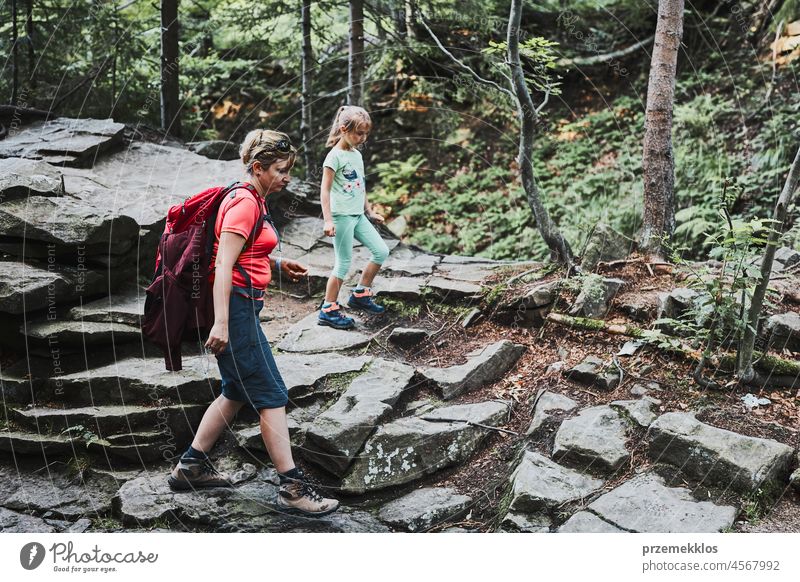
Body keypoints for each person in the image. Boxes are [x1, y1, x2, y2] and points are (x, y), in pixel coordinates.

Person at [168, 129, 339, 518]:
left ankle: (190, 467)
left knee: (235, 390)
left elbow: (244, 253)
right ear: (257, 168)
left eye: (289, 169)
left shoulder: (252, 198)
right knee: (272, 394)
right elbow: (223, 265)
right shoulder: (244, 203)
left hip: (244, 306)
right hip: (236, 310)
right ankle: (292, 489)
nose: (287, 177)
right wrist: (223, 324)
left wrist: (277, 265)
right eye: (280, 170)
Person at [318, 105, 390, 330]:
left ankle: (360, 295)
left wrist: (369, 211)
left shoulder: (356, 155)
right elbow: (325, 190)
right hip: (341, 217)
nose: (362, 137)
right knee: (343, 264)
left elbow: (361, 185)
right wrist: (328, 220)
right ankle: (328, 309)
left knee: (381, 251)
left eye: (365, 133)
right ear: (343, 129)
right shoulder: (334, 157)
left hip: (358, 215)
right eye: (359, 133)